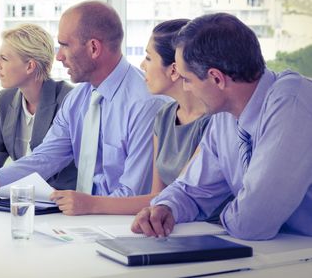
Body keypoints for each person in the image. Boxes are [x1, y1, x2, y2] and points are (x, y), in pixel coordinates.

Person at [0, 0, 166, 204]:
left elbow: (135, 193)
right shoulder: (78, 100)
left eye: (64, 46)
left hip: (124, 226)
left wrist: (87, 206)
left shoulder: (146, 104)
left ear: (93, 48)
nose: (59, 57)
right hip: (80, 220)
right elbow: (46, 158)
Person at [132, 13, 312, 240]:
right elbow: (193, 189)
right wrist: (165, 208)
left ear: (216, 78)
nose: (185, 89)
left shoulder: (293, 103)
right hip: (278, 252)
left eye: (187, 80)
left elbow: (252, 222)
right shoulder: (224, 116)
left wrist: (221, 215)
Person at [48, 19, 210, 215]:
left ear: (174, 70)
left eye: (149, 58)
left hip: (204, 227)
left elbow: (179, 196)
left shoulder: (211, 123)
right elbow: (157, 197)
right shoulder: (165, 116)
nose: (142, 65)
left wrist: (90, 204)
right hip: (169, 224)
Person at [0, 23, 77, 190]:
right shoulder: (5, 99)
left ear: (30, 66)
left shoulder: (69, 100)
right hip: (21, 198)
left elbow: (49, 161)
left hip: (59, 203)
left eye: (4, 58)